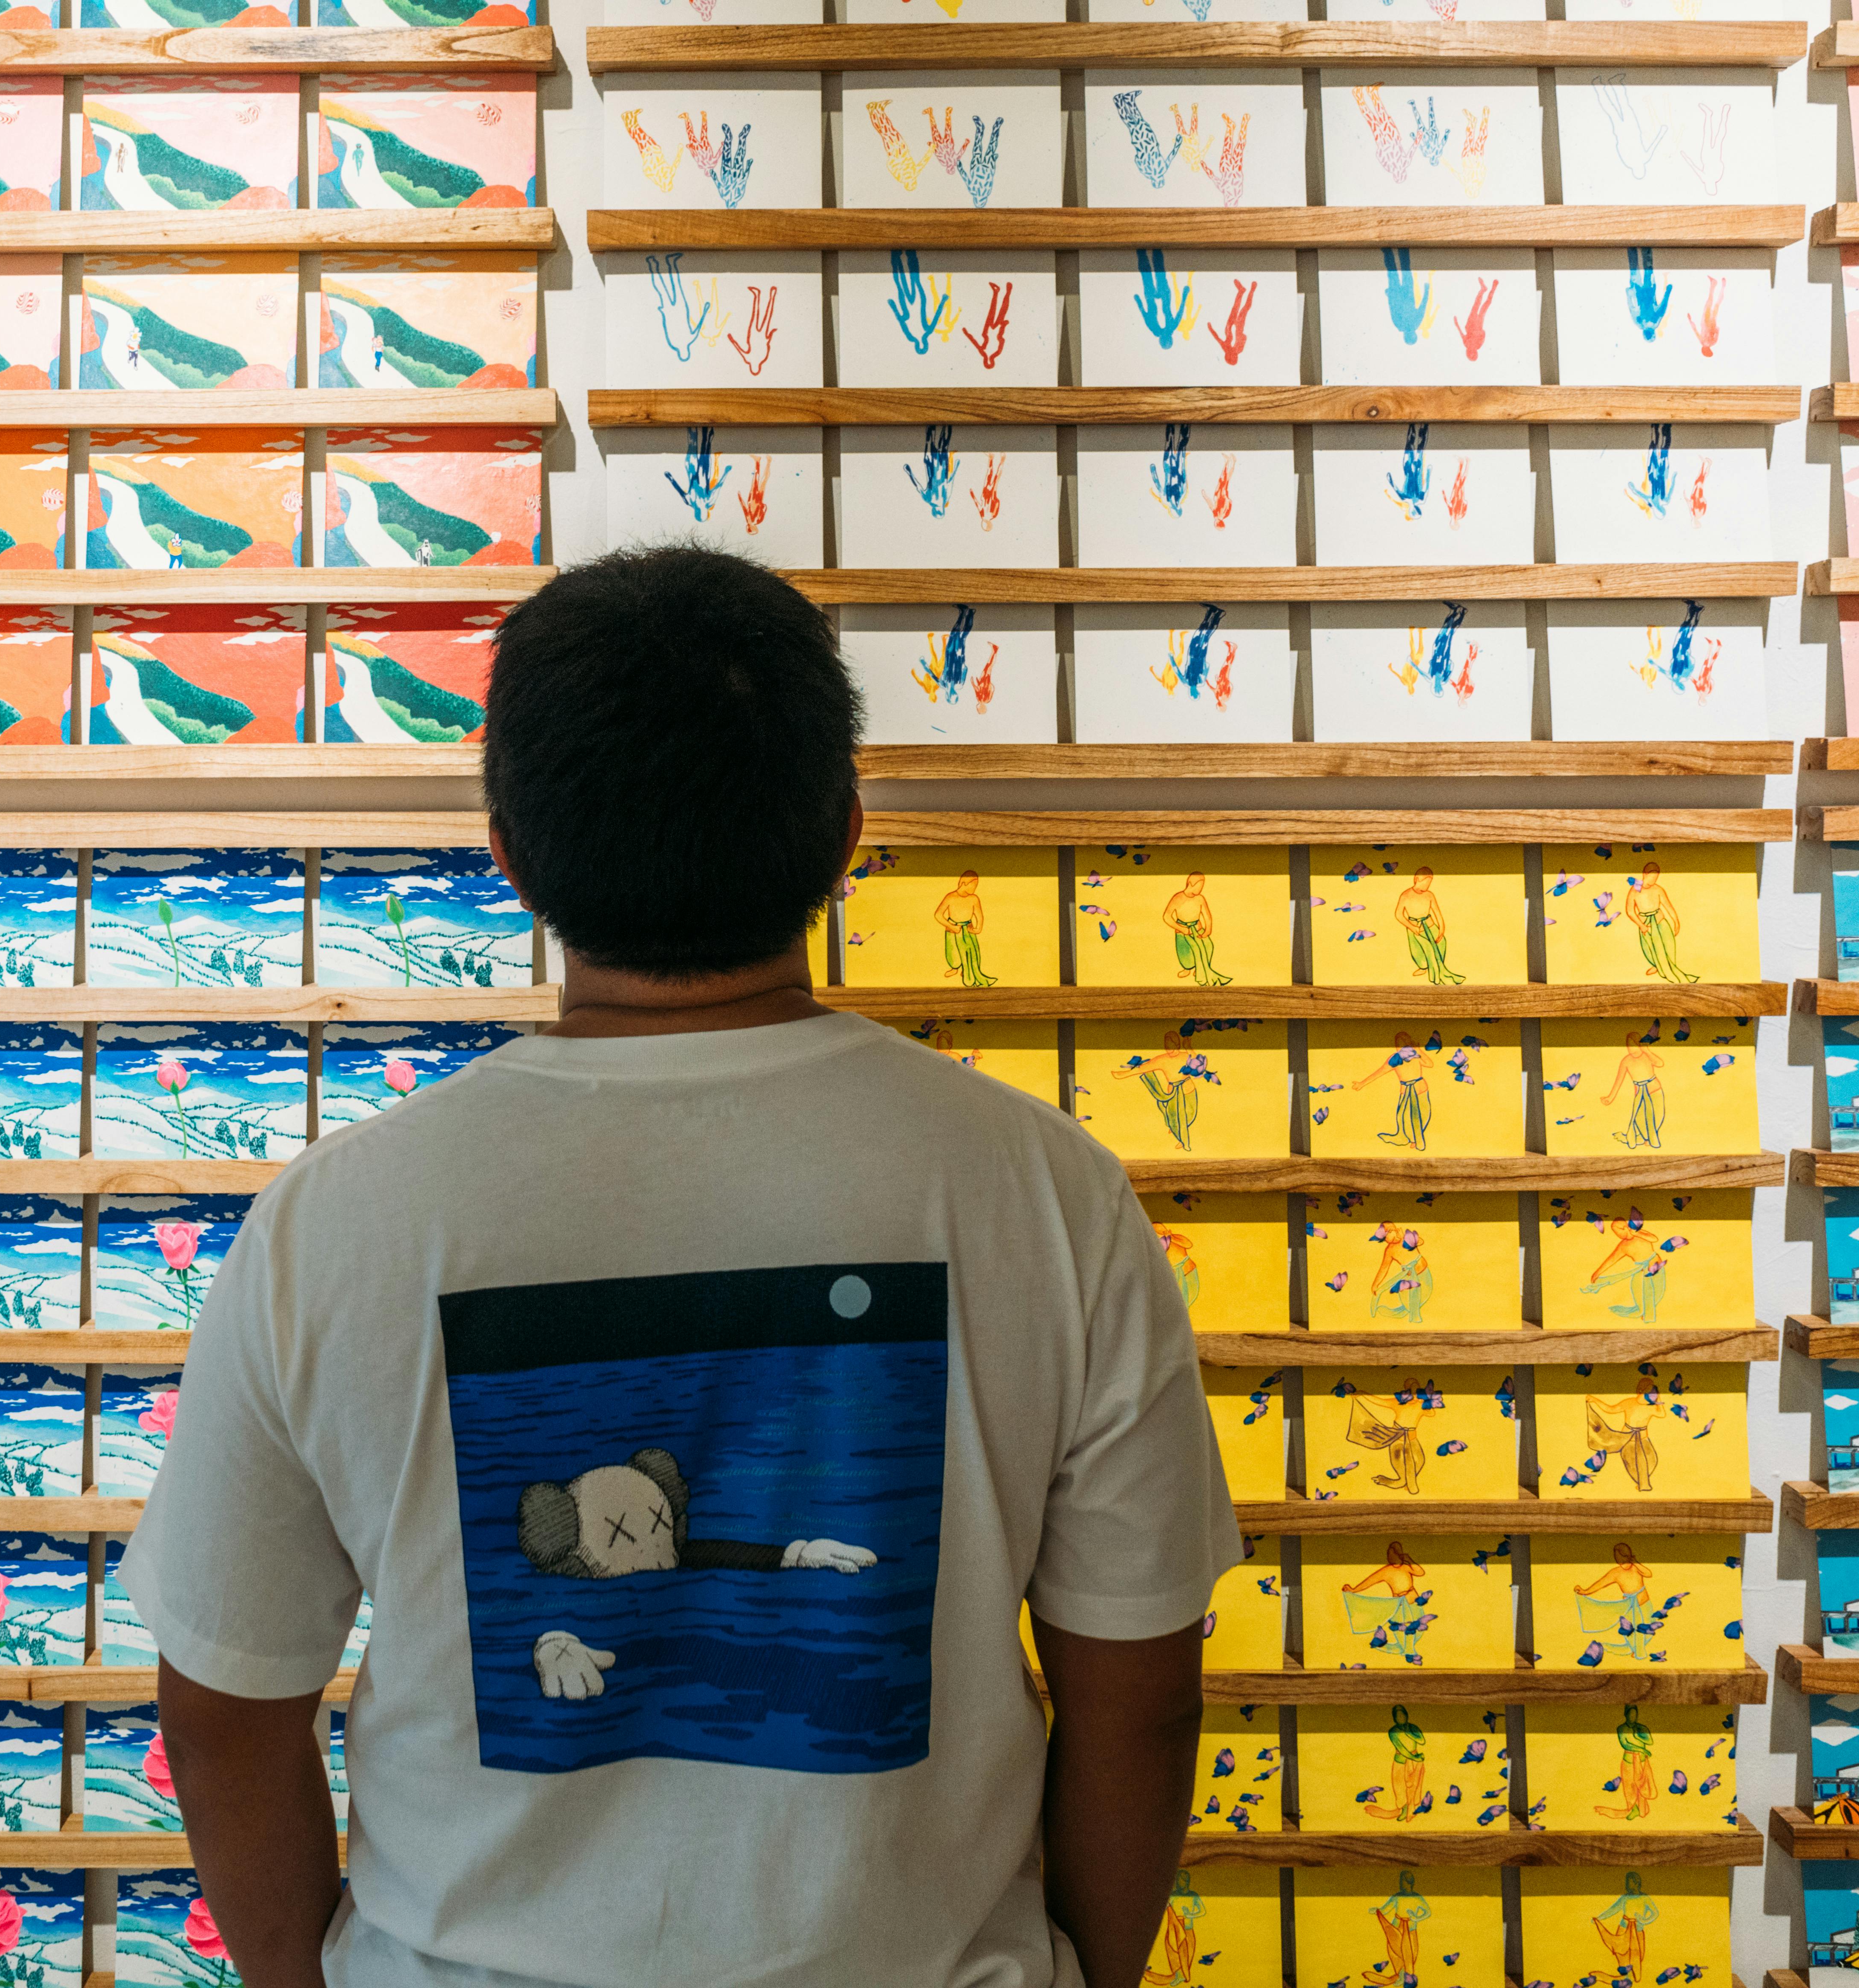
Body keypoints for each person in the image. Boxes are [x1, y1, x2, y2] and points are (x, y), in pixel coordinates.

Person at [123, 545, 1237, 1988]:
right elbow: (1141, 1692)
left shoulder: (337, 1224)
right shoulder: (1048, 1195)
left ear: (510, 849)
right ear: (846, 834)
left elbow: (225, 1709)